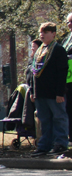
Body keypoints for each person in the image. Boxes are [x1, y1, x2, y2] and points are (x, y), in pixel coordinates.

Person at [30, 22, 69, 156]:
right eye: (41, 32)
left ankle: (60, 144)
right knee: (44, 120)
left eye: (45, 32)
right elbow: (34, 72)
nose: (42, 35)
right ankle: (44, 145)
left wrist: (60, 92)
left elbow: (62, 72)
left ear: (53, 34)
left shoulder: (58, 50)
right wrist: (33, 91)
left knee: (59, 118)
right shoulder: (40, 50)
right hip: (41, 92)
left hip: (54, 93)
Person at [62, 13, 72, 142]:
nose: (69, 24)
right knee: (68, 106)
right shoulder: (67, 38)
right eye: (68, 22)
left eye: (71, 22)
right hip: (68, 78)